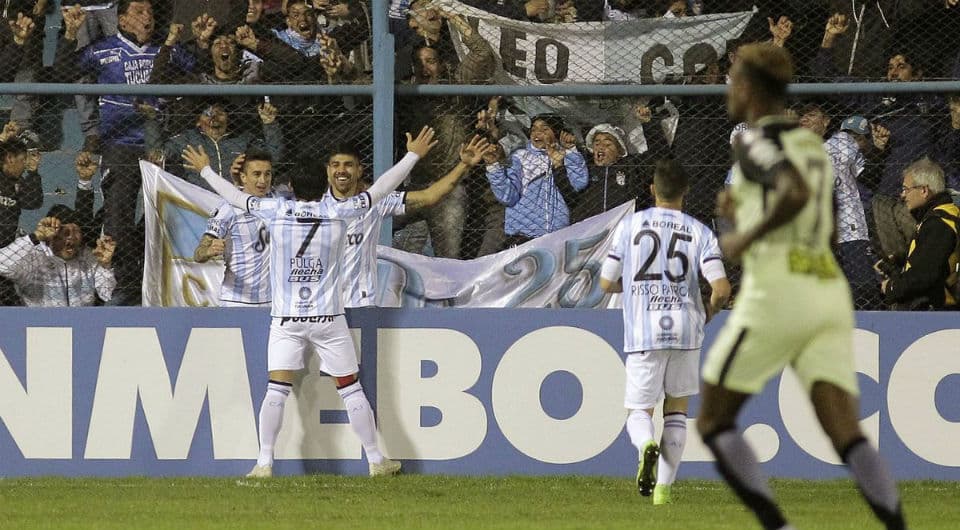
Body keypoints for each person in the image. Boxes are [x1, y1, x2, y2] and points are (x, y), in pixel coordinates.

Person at [697, 43, 906, 530]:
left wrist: (745, 233)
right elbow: (828, 226)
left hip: (781, 289)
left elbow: (789, 192)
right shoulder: (814, 146)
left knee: (712, 421)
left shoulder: (755, 140)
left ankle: (779, 527)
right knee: (843, 430)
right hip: (824, 286)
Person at [181, 126, 438, 478]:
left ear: (290, 186)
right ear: (323, 183)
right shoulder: (340, 212)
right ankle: (376, 460)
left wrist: (206, 169)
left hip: (285, 319)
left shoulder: (275, 211)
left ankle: (264, 463)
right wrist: (412, 156)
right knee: (350, 388)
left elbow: (235, 197)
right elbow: (381, 190)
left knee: (276, 389)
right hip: (329, 319)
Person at [599, 159, 730, 505]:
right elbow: (721, 288)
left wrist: (637, 286)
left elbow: (606, 282)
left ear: (652, 190)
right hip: (687, 328)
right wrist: (709, 313)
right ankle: (663, 492)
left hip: (645, 330)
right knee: (676, 410)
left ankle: (646, 445)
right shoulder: (700, 232)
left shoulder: (629, 227)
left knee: (640, 412)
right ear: (685, 191)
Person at [327, 135, 494, 308]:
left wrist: (464, 165)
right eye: (335, 165)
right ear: (328, 171)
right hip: (324, 302)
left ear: (359, 170)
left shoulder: (375, 202)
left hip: (361, 302)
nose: (341, 170)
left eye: (348, 165)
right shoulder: (315, 206)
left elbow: (429, 196)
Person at [0, 153, 117, 306]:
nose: (70, 238)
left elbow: (107, 293)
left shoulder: (88, 257)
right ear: (50, 236)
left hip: (83, 323)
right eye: (64, 233)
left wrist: (105, 266)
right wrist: (34, 237)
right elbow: (2, 265)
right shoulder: (34, 257)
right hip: (41, 324)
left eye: (75, 232)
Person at [193, 149, 276, 307]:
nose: (263, 180)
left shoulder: (276, 203)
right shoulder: (227, 210)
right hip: (236, 301)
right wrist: (209, 251)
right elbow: (198, 254)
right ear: (243, 177)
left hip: (271, 302)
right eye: (257, 174)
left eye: (268, 174)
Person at [877, 158, 959, 310]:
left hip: (934, 312)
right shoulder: (936, 218)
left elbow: (924, 275)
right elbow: (931, 258)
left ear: (924, 190)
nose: (902, 195)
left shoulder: (938, 223)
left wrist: (891, 287)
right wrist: (900, 259)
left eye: (906, 189)